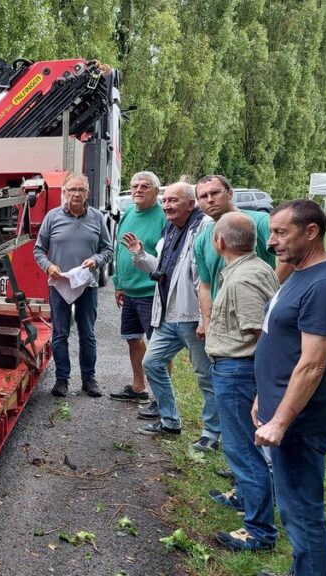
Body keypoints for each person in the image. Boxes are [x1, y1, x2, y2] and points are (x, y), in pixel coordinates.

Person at [254, 199, 326, 576]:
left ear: (311, 231)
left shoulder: (325, 285)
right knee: (292, 509)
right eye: (271, 233)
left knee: (303, 514)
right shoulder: (299, 271)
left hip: (299, 424)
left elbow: (312, 364)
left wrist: (280, 420)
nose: (272, 242)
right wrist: (264, 396)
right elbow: (280, 340)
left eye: (281, 233)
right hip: (279, 412)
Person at [122, 182, 221, 452]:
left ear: (191, 204)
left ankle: (212, 433)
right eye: (166, 201)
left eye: (173, 201)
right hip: (168, 313)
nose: (167, 205)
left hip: (191, 316)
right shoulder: (170, 231)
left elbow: (206, 278)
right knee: (152, 363)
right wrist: (140, 255)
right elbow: (162, 270)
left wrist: (205, 319)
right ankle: (169, 420)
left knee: (205, 375)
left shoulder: (204, 230)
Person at [203, 212, 280, 552]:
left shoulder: (242, 280)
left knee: (243, 451)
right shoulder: (256, 266)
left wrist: (261, 387)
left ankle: (259, 531)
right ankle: (246, 499)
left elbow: (258, 333)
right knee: (244, 448)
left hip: (237, 370)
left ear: (219, 242)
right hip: (237, 369)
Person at [33, 173, 113, 398]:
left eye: (81, 190)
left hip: (87, 284)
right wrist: (48, 266)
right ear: (64, 192)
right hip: (59, 284)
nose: (76, 194)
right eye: (72, 190)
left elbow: (108, 250)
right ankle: (62, 380)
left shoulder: (97, 218)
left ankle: (89, 379)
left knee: (87, 333)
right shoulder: (52, 217)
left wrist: (95, 261)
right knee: (60, 333)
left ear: (87, 193)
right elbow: (38, 249)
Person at [192, 175, 290, 341]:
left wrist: (269, 288)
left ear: (230, 194)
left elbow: (289, 257)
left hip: (258, 316)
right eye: (203, 196)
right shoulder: (202, 239)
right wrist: (208, 324)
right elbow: (206, 285)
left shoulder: (259, 222)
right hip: (223, 323)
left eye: (215, 193)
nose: (210, 200)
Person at [109, 171, 167, 406]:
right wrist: (118, 283)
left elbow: (165, 254)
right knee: (133, 339)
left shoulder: (163, 216)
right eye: (134, 186)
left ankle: (162, 397)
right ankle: (138, 387)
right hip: (129, 291)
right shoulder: (129, 212)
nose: (138, 190)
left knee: (159, 345)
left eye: (145, 186)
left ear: (155, 190)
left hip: (150, 291)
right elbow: (119, 249)